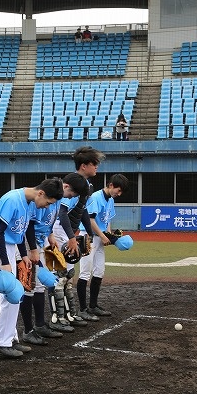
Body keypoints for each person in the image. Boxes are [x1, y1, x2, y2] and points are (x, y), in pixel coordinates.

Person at [0, 178, 64, 357]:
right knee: (9, 295)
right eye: (48, 202)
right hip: (0, 246)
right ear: (41, 193)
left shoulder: (29, 202)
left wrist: (24, 255)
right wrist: (5, 262)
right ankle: (1, 343)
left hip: (12, 246)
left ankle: (10, 338)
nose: (46, 207)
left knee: (17, 293)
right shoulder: (12, 199)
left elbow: (20, 232)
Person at [22, 173, 87, 340]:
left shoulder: (57, 199)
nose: (72, 197)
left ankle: (39, 325)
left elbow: (48, 221)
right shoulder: (46, 198)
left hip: (40, 241)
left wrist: (50, 236)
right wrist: (33, 249)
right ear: (66, 187)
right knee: (29, 287)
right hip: (30, 243)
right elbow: (30, 224)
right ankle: (28, 330)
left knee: (39, 286)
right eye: (72, 193)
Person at [50, 146, 105, 327]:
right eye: (94, 164)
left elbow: (83, 210)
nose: (96, 167)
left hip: (70, 232)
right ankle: (57, 317)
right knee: (60, 275)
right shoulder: (71, 183)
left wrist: (89, 233)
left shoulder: (87, 186)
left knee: (69, 275)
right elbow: (62, 213)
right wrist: (71, 238)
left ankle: (69, 314)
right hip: (59, 230)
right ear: (83, 166)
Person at [77, 174, 130, 318]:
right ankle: (82, 310)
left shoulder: (110, 199)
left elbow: (107, 220)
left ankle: (93, 306)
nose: (119, 194)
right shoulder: (95, 197)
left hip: (98, 237)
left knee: (99, 271)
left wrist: (109, 235)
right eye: (118, 190)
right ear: (111, 185)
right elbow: (90, 220)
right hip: (87, 237)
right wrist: (102, 236)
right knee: (85, 273)